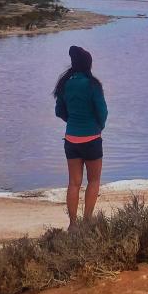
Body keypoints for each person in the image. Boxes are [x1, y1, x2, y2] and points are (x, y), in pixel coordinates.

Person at [54, 45, 108, 227]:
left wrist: (73, 122)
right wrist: (98, 126)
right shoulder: (93, 85)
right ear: (88, 65)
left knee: (74, 183)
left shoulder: (65, 84)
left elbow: (59, 111)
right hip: (92, 139)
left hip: (71, 140)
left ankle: (73, 224)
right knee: (93, 181)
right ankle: (87, 221)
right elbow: (102, 111)